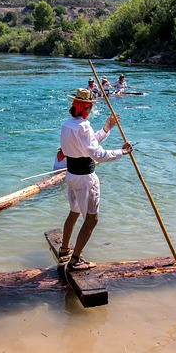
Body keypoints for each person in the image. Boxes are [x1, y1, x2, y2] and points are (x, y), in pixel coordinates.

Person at [60, 88, 133, 271]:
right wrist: (121, 152)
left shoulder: (67, 124)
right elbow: (97, 155)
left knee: (74, 212)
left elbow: (88, 145)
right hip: (85, 178)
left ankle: (64, 250)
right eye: (90, 107)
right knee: (92, 220)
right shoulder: (83, 126)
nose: (91, 110)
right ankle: (76, 260)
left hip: (71, 176)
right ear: (86, 108)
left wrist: (107, 128)